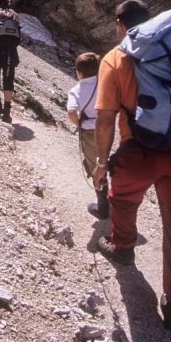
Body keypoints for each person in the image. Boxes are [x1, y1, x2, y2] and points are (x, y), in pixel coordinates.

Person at [93, 0, 171, 330]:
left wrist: (100, 163)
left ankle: (123, 248)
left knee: (123, 199)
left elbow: (105, 120)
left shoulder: (115, 58)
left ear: (119, 25)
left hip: (136, 152)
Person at [66, 51, 107, 218]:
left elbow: (71, 112)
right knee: (105, 161)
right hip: (107, 127)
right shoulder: (104, 83)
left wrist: (79, 124)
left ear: (79, 72)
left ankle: (103, 206)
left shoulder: (76, 90)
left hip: (90, 131)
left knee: (95, 165)